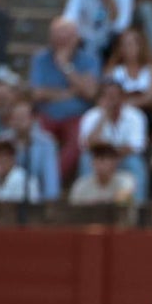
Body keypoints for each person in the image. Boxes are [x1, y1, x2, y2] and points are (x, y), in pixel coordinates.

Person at [29, 16, 101, 181]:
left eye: (66, 38)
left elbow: (90, 93)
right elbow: (37, 93)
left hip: (76, 116)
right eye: (58, 37)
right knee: (37, 139)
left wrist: (65, 66)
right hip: (47, 115)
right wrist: (71, 91)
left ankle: (52, 180)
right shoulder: (40, 59)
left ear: (76, 38)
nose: (61, 42)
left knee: (79, 141)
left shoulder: (90, 59)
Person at [78, 78, 149, 203]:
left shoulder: (136, 116)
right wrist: (104, 116)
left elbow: (135, 146)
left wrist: (110, 157)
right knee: (86, 160)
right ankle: (85, 208)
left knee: (136, 163)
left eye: (115, 96)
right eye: (108, 96)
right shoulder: (91, 116)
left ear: (122, 97)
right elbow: (88, 145)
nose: (112, 100)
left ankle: (138, 208)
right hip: (99, 159)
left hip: (124, 158)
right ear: (101, 98)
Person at [0, 95, 61, 201]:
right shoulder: (2, 141)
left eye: (23, 117)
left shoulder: (46, 143)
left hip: (37, 202)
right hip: (6, 199)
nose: (19, 121)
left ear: (33, 118)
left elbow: (51, 184)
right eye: (16, 117)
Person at [62, 0, 135, 59]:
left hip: (110, 40)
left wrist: (108, 0)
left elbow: (121, 26)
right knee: (63, 30)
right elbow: (69, 17)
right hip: (83, 39)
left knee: (126, 39)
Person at [105, 26, 152, 114]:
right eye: (124, 44)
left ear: (140, 46)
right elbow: (108, 97)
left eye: (131, 44)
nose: (128, 48)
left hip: (147, 114)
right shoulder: (113, 71)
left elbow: (151, 98)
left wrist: (126, 102)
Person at [69, 140, 137, 204]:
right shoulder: (81, 185)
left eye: (106, 157)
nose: (101, 161)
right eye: (97, 157)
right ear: (92, 162)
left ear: (115, 161)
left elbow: (123, 199)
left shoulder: (126, 180)